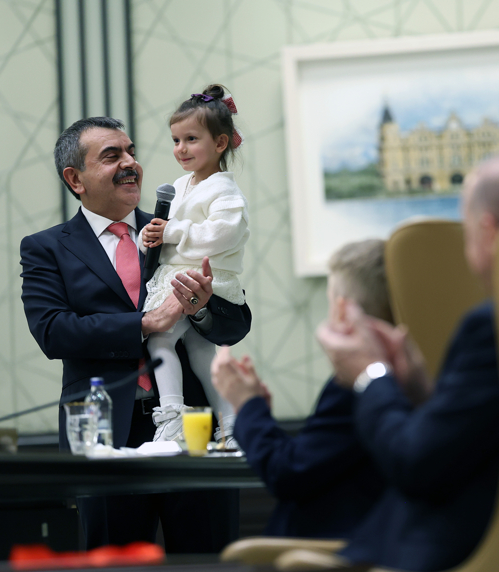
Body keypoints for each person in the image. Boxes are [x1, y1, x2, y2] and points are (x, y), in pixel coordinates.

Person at [315, 150, 499, 571]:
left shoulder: (492, 327)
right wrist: (421, 390)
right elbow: (484, 441)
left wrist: (369, 374)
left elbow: (415, 465)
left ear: (487, 231)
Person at [20, 116, 251, 552]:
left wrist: (201, 309)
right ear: (75, 179)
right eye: (112, 156)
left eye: (131, 152)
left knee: (208, 557)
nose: (130, 163)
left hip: (196, 425)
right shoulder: (46, 247)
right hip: (104, 432)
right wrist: (146, 323)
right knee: (115, 559)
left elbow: (237, 323)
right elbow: (52, 331)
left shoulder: (175, 228)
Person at [210, 240, 390, 538]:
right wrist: (259, 414)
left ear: (342, 310)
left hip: (319, 551)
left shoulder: (357, 385)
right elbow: (313, 460)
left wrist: (247, 407)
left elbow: (286, 474)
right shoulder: (406, 373)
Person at [138, 84, 249, 443]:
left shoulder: (225, 190)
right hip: (180, 274)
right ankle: (231, 424)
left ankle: (172, 416)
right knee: (201, 352)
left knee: (160, 339)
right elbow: (169, 235)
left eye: (191, 139)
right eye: (175, 140)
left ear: (220, 143)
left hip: (203, 278)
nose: (181, 149)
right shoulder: (181, 184)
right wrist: (149, 237)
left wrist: (172, 231)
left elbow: (222, 234)